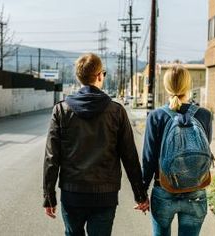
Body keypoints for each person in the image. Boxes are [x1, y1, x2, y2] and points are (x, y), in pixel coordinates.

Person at [43, 53, 149, 236]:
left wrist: (49, 196)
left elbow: (52, 158)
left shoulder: (61, 110)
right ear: (100, 75)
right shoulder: (116, 111)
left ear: (79, 77)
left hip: (72, 193)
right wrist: (140, 194)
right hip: (105, 195)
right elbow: (129, 156)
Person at [142, 65, 212, 236]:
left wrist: (141, 193)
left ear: (166, 87)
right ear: (188, 85)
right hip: (195, 190)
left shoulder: (156, 116)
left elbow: (149, 159)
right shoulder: (204, 115)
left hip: (164, 188)